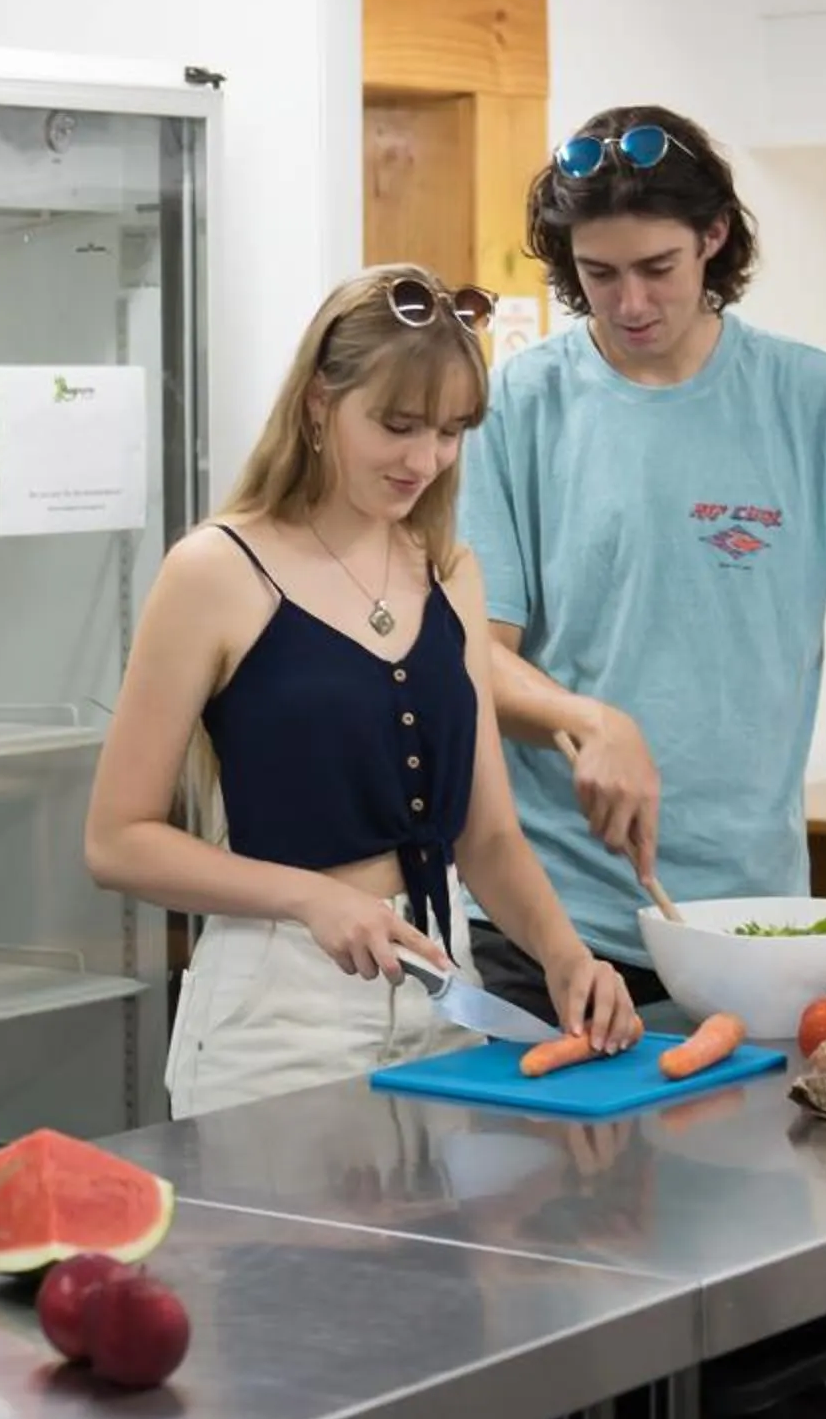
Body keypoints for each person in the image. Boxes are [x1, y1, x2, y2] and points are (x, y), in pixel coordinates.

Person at [83, 265, 641, 1119]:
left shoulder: (450, 572)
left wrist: (566, 958)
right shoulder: (216, 571)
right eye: (399, 425)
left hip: (442, 996)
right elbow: (118, 840)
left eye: (452, 431)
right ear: (317, 402)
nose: (427, 460)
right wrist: (312, 896)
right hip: (278, 1020)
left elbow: (487, 836)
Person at [460, 106, 826, 1016]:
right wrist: (587, 720)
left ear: (714, 238)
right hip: (557, 922)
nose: (631, 303)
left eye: (658, 269)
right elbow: (473, 655)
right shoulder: (518, 403)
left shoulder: (812, 398)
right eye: (599, 274)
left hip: (756, 921)